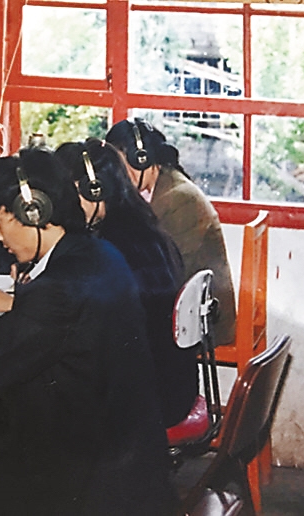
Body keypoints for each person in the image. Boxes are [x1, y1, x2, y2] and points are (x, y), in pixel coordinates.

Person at [0, 148, 175, 515]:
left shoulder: (57, 289)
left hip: (92, 483)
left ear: (33, 212)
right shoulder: (100, 253)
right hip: (125, 460)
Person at [55, 138, 197, 428]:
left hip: (146, 402)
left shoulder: (111, 246)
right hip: (172, 389)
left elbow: (77, 319)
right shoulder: (140, 226)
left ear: (94, 190)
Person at [105, 118, 237, 346]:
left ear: (141, 158)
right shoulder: (164, 185)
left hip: (202, 323)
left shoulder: (179, 199)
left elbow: (159, 274)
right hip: (184, 311)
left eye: (120, 165)